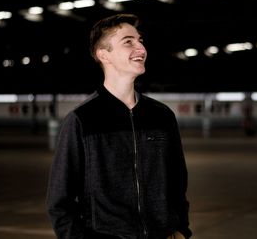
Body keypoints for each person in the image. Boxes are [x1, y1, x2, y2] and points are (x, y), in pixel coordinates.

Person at [46, 13, 192, 239]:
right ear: (103, 55)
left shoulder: (162, 116)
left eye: (140, 41)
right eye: (128, 42)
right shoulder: (82, 120)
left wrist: (182, 229)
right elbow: (59, 201)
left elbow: (177, 183)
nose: (141, 48)